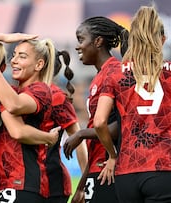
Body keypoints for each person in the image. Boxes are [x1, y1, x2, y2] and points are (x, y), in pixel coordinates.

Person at [94, 6, 171, 202]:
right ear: (162, 39)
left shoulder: (115, 74)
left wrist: (112, 155)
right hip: (164, 168)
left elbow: (99, 122)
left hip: (126, 170)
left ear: (133, 39)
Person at [0, 39, 61, 203]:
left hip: (23, 184)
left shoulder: (40, 89)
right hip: (5, 184)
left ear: (39, 65)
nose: (14, 60)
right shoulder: (10, 91)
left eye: (22, 56)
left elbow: (16, 116)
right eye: (14, 55)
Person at [63, 16, 128, 203]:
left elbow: (123, 124)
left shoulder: (115, 72)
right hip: (98, 167)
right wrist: (82, 185)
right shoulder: (102, 75)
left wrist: (81, 134)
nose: (77, 47)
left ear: (98, 41)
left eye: (81, 40)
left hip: (111, 169)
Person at [45, 50, 88, 203]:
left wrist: (84, 186)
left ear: (40, 65)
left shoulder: (56, 97)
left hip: (52, 183)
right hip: (26, 180)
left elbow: (79, 139)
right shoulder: (22, 93)